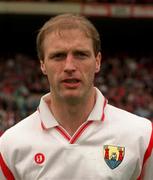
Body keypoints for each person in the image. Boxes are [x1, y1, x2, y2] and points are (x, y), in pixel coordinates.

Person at [0, 13, 153, 180]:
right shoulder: (10, 146)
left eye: (80, 54)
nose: (69, 66)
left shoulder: (142, 136)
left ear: (97, 61)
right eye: (58, 56)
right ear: (42, 64)